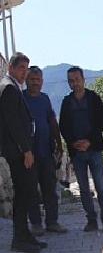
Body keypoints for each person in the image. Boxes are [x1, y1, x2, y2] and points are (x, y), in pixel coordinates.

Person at [0, 53, 47, 253]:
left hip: (19, 150)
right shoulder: (8, 88)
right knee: (24, 192)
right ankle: (19, 238)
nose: (24, 73)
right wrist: (26, 150)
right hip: (17, 151)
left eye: (26, 69)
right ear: (11, 67)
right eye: (21, 68)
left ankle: (25, 234)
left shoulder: (12, 86)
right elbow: (13, 124)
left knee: (26, 192)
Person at [59, 66, 103, 233]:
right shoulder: (66, 102)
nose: (75, 83)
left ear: (83, 79)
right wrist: (74, 143)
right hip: (77, 153)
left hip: (94, 149)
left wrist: (89, 141)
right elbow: (63, 126)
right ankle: (91, 221)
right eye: (71, 81)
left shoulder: (93, 98)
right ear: (69, 83)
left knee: (100, 186)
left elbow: (101, 122)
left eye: (77, 79)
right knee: (83, 188)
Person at [23, 66, 68, 235]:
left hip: (46, 153)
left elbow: (52, 120)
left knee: (50, 189)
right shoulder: (21, 99)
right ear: (27, 81)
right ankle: (36, 224)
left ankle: (52, 222)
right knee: (32, 190)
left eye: (38, 80)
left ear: (42, 81)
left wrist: (59, 142)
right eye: (32, 79)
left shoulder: (45, 99)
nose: (35, 83)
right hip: (29, 154)